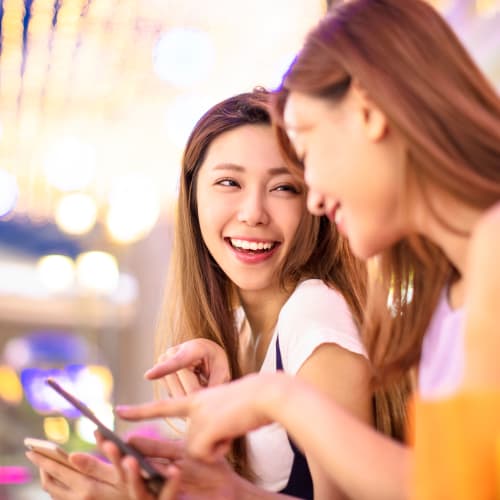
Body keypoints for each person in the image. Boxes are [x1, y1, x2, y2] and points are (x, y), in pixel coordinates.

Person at [112, 0, 500, 498]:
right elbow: (448, 487)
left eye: (307, 153)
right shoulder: (448, 294)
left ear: (367, 111)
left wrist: (278, 397)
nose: (313, 194)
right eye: (228, 183)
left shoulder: (492, 247)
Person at [26, 89, 408, 499]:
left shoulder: (313, 315)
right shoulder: (238, 332)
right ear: (192, 198)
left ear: (314, 202)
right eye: (229, 182)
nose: (253, 212)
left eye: (284, 188)